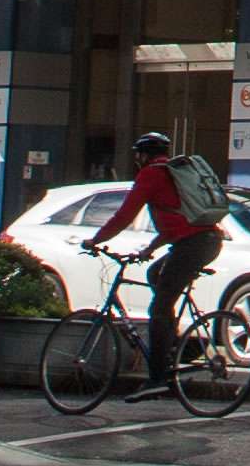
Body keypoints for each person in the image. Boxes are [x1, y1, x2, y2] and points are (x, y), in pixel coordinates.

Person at [89, 131, 227, 377]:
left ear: (143, 156)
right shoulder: (171, 173)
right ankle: (172, 344)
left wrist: (95, 240)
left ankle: (158, 376)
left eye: (138, 155)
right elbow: (176, 221)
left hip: (192, 245)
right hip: (207, 241)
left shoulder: (151, 175)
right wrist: (150, 249)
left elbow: (124, 216)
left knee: (158, 309)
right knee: (155, 274)